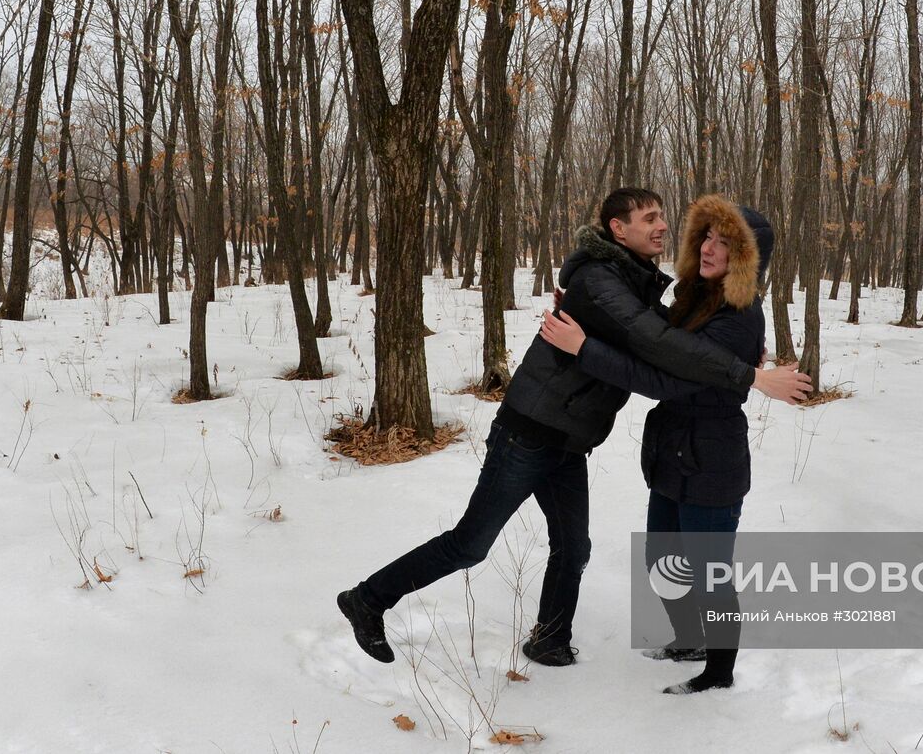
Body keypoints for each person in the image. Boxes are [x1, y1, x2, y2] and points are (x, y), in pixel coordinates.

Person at [337, 188, 811, 668]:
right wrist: (750, 375)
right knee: (470, 544)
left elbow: (665, 337)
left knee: (573, 546)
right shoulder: (601, 280)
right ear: (617, 229)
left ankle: (550, 638)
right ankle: (368, 600)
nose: (664, 226)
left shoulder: (637, 279)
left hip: (568, 439)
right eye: (650, 218)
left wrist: (738, 359)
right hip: (529, 433)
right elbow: (653, 341)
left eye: (665, 217)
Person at [539, 194, 773, 694]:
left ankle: (718, 671)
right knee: (662, 560)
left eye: (725, 243)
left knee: (710, 574)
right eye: (706, 236)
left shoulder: (740, 318)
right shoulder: (692, 297)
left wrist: (584, 349)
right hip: (673, 450)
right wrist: (582, 312)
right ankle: (688, 637)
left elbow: (665, 378)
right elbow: (642, 336)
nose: (710, 248)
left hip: (712, 458)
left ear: (746, 261)